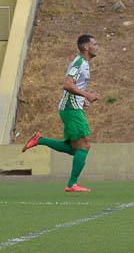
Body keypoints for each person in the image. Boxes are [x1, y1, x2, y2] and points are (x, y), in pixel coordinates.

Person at [22, 35, 100, 192]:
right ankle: (72, 184)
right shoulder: (79, 63)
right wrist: (87, 95)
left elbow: (74, 86)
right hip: (71, 109)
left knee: (75, 148)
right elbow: (67, 84)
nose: (97, 46)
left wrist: (81, 100)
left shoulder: (84, 63)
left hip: (73, 107)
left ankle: (41, 140)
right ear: (86, 47)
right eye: (94, 44)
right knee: (84, 146)